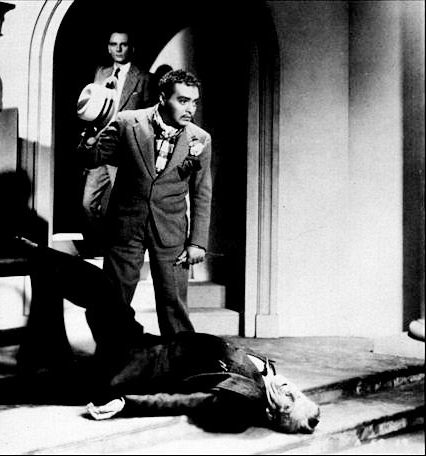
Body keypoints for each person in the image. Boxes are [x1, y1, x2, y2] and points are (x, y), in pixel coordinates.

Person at [16, 239, 320, 434]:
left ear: (271, 412)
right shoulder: (267, 372)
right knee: (98, 284)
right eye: (299, 393)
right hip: (144, 344)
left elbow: (186, 402)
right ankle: (28, 252)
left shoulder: (245, 400)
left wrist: (127, 404)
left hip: (134, 368)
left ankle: (22, 250)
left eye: (289, 400)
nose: (290, 389)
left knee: (43, 382)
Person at [78, 69, 213, 336]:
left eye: (194, 102)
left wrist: (197, 242)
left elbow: (201, 193)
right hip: (126, 226)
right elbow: (92, 158)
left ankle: (180, 358)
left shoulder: (200, 139)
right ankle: (112, 355)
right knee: (113, 301)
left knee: (174, 306)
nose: (190, 109)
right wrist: (91, 135)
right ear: (163, 98)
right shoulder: (127, 122)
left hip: (171, 229)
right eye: (183, 100)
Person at [81, 30, 154, 256]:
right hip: (100, 148)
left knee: (125, 207)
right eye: (114, 44)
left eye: (123, 44)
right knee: (88, 203)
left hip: (125, 152)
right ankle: (102, 248)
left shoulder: (144, 78)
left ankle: (127, 250)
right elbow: (93, 109)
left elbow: (149, 118)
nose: (118, 49)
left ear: (131, 48)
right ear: (108, 48)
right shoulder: (101, 73)